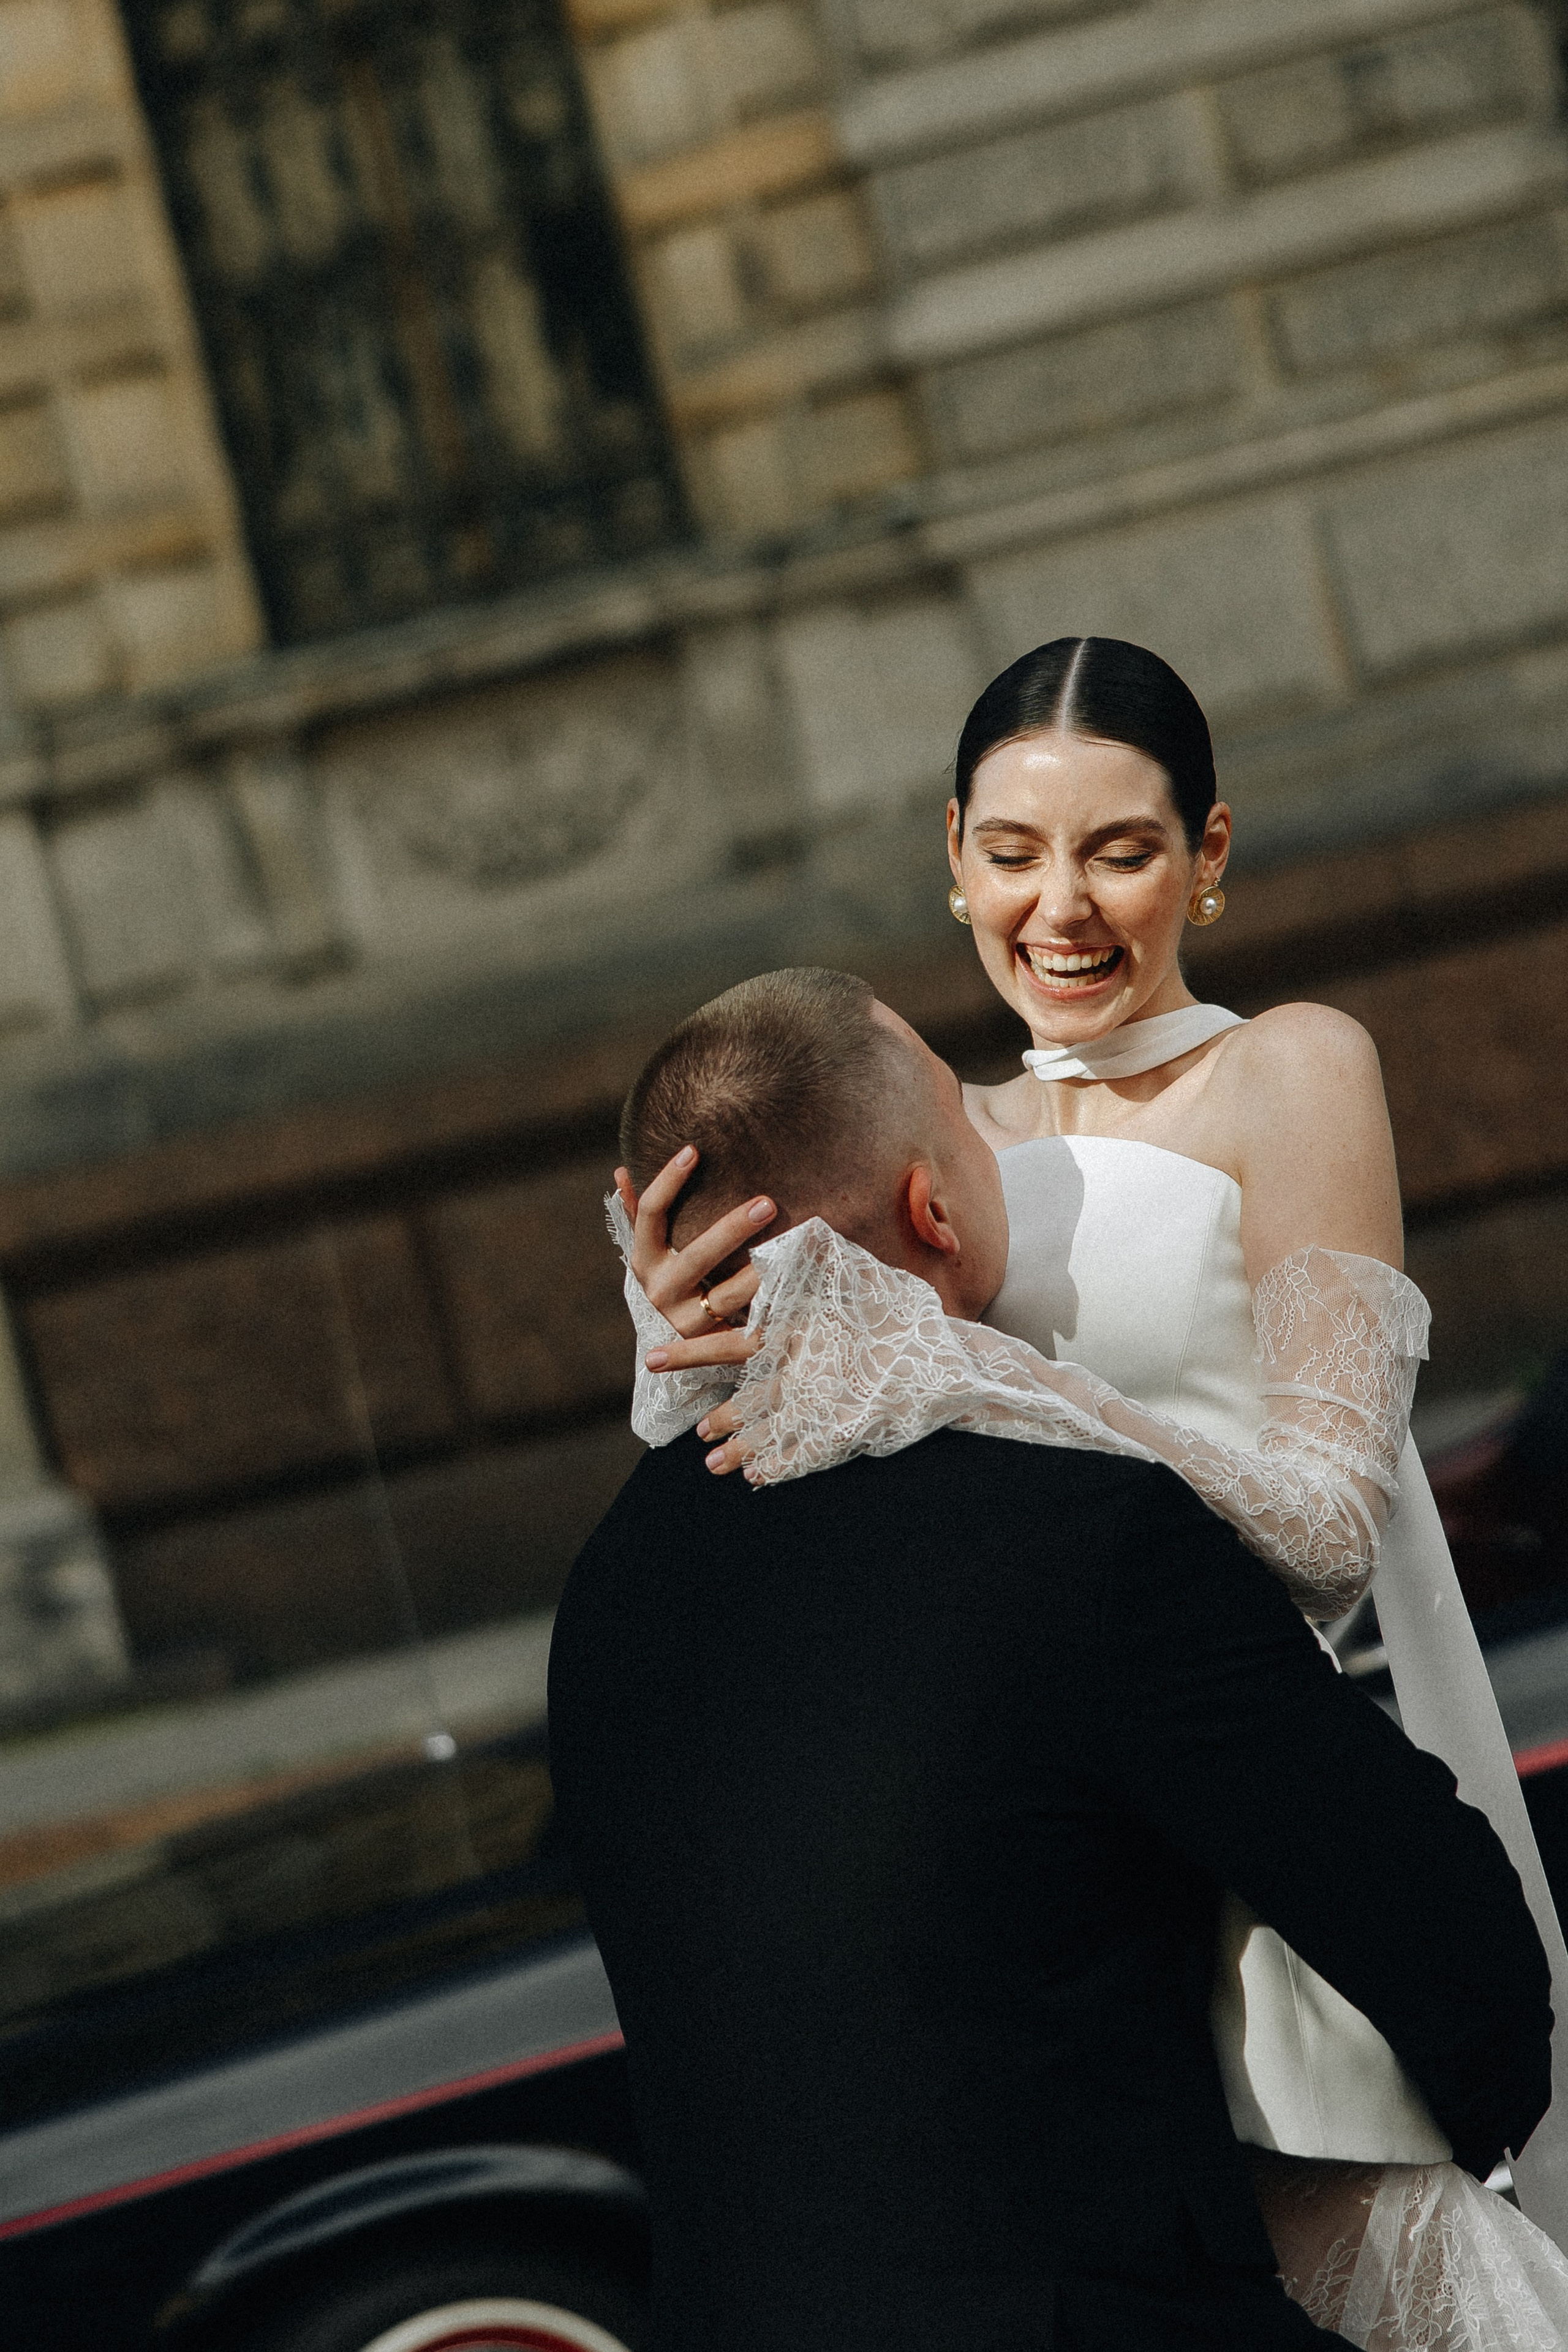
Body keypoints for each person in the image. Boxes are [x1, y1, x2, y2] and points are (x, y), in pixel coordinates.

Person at [610, 638, 1568, 2331]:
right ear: (953, 857)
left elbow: (1330, 1531)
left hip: (1263, 1840)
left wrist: (994, 1379)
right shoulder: (915, 1131)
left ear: (1208, 855)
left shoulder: (1291, 1069)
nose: (1062, 905)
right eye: (1012, 851)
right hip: (1047, 1883)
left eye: (1121, 848)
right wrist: (683, 1352)